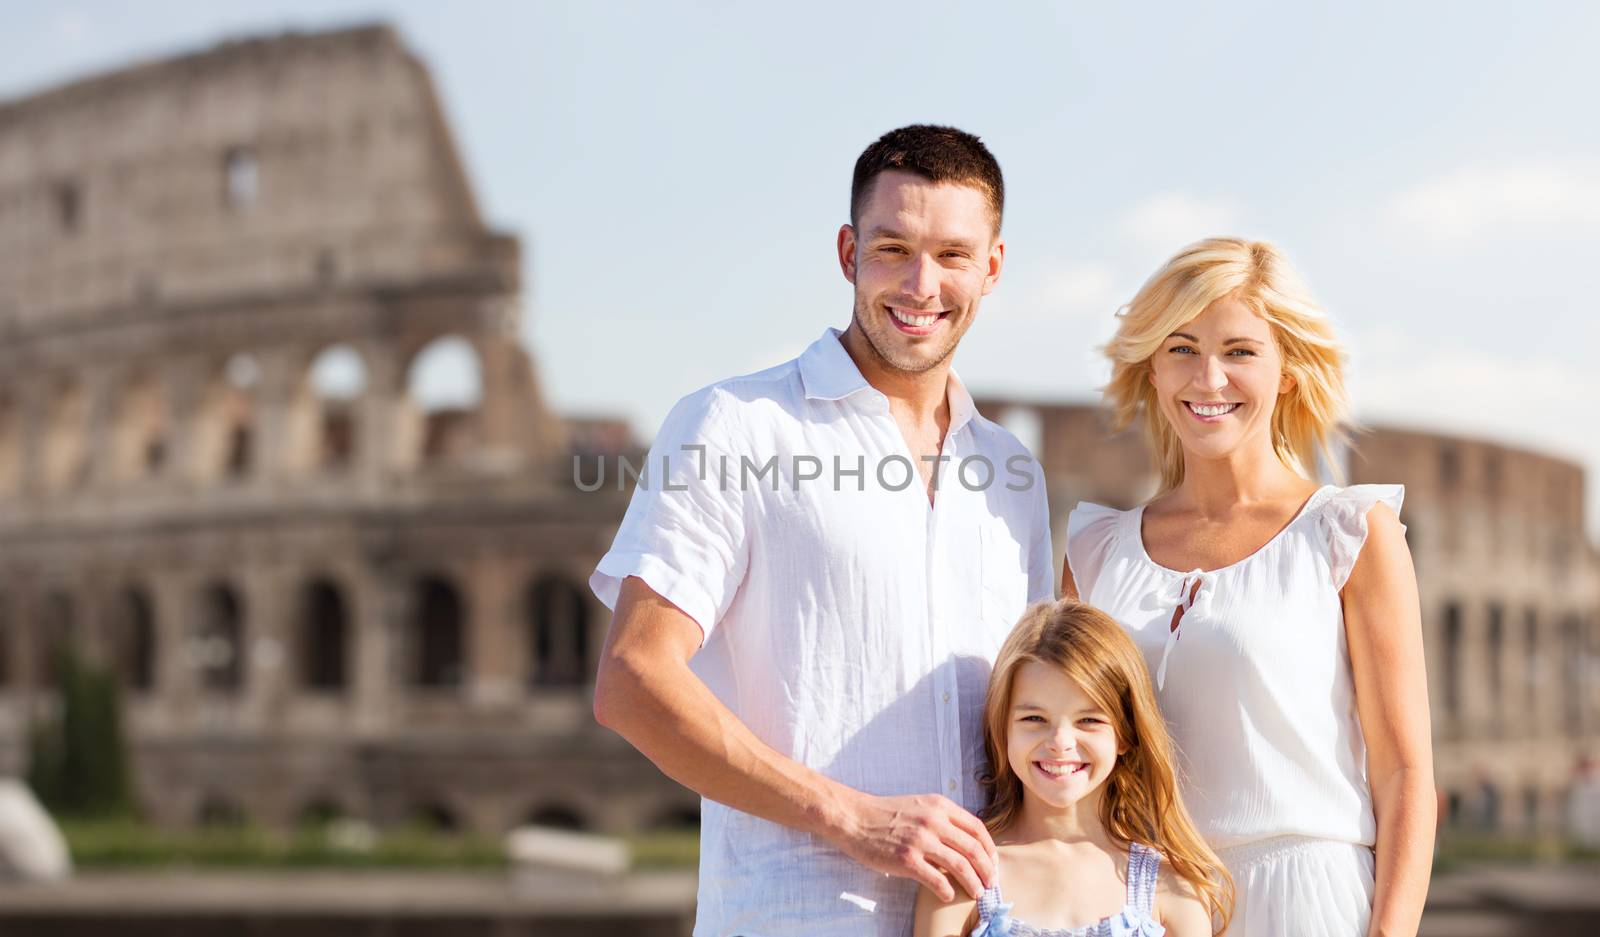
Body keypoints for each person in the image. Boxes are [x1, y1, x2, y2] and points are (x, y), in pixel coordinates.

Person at [590, 124, 1055, 936]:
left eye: (952, 254)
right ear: (848, 253)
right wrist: (852, 816)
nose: (920, 284)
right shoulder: (735, 425)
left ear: (993, 268)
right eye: (892, 249)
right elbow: (632, 678)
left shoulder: (1011, 472)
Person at [1061, 238, 1435, 936]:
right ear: (1149, 367)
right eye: (1180, 348)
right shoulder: (1094, 550)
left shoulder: (1350, 534)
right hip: (1140, 902)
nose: (1208, 378)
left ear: (1287, 369)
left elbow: (1405, 773)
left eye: (1239, 351)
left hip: (1306, 899)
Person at [914, 600, 1231, 937]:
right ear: (1002, 726)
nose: (1060, 741)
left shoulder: (1172, 887)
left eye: (1089, 720)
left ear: (1125, 734)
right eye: (1034, 718)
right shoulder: (961, 876)